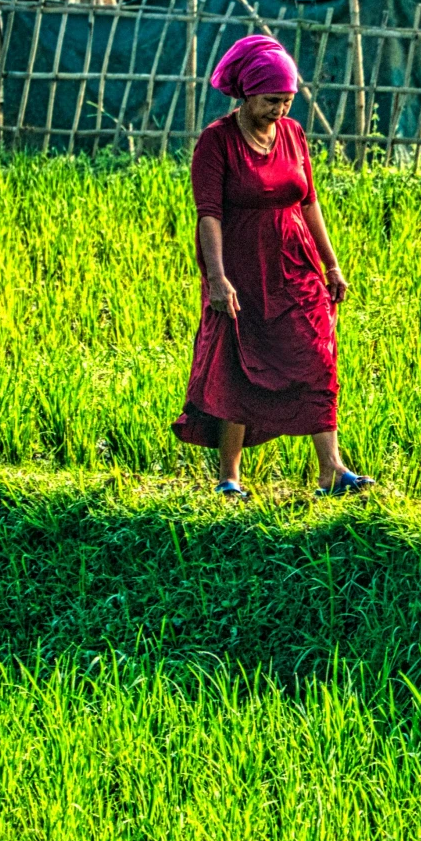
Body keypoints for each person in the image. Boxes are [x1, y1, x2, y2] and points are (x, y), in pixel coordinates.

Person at [171, 34, 374, 500]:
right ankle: (229, 478)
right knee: (238, 367)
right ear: (246, 93)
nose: (280, 111)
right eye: (270, 101)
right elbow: (209, 215)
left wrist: (333, 266)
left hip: (295, 262)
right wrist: (217, 279)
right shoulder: (216, 142)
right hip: (241, 271)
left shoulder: (294, 135)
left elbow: (309, 203)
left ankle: (332, 470)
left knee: (318, 356)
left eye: (286, 101)